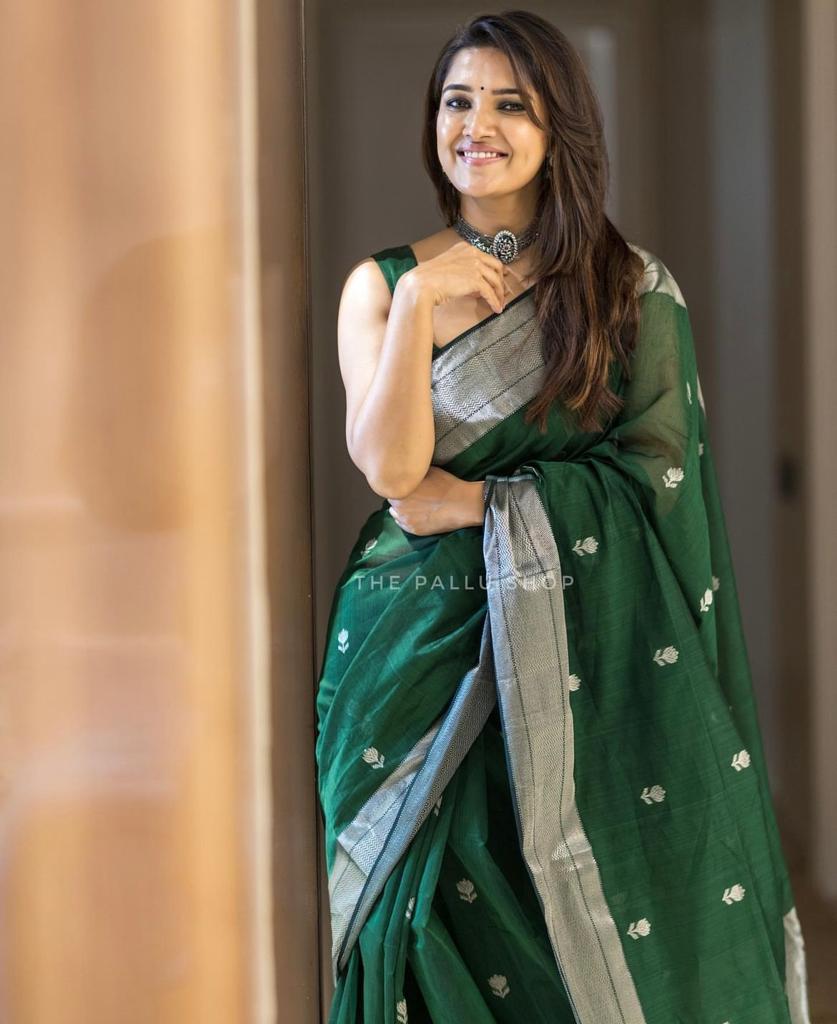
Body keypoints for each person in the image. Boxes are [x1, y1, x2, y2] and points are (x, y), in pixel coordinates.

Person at [315, 10, 811, 1023]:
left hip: (588, 656)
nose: (477, 125)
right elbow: (393, 473)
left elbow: (654, 484)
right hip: (412, 660)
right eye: (459, 100)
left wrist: (484, 502)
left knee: (549, 937)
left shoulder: (629, 291)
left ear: (560, 132)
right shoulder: (382, 285)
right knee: (413, 923)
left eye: (511, 104)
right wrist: (420, 309)